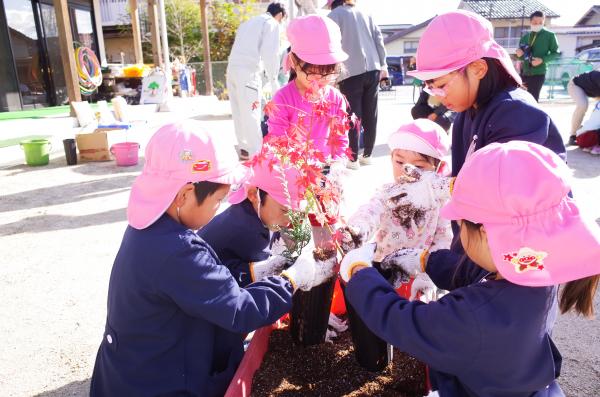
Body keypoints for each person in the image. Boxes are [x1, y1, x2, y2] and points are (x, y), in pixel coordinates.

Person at [89, 121, 334, 397]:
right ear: (184, 194)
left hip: (127, 371)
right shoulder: (177, 251)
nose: (220, 209)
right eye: (218, 200)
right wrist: (290, 280)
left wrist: (262, 272)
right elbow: (240, 311)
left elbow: (209, 286)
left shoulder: (147, 227)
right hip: (157, 384)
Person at [340, 140, 600, 396]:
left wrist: (360, 273)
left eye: (460, 222)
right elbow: (481, 274)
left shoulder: (473, 317)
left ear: (486, 233)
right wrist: (426, 261)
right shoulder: (536, 271)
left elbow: (402, 322)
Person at [402, 10, 566, 291]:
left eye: (441, 85)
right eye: (430, 87)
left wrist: (434, 262)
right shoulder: (468, 110)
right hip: (481, 249)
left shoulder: (516, 112)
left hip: (514, 261)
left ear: (478, 68)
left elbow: (496, 203)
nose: (437, 96)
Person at [199, 154, 304, 287]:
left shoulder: (256, 213)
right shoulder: (246, 230)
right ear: (254, 194)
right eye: (284, 210)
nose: (290, 219)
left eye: (295, 212)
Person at [266, 14, 350, 161]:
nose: (320, 80)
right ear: (293, 62)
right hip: (293, 170)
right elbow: (278, 140)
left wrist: (337, 165)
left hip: (326, 169)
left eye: (328, 74)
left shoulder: (335, 98)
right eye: (312, 73)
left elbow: (340, 139)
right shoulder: (283, 98)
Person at [327, 0, 388, 169]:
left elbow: (331, 45)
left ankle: (352, 158)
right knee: (371, 113)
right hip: (373, 68)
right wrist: (383, 65)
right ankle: (367, 154)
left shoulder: (333, 16)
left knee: (353, 114)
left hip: (350, 71)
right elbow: (379, 41)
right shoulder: (366, 14)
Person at [227, 2, 286, 160]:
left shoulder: (248, 22)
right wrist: (274, 78)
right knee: (251, 112)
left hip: (232, 69)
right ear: (279, 15)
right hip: (248, 71)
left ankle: (244, 148)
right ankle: (257, 154)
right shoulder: (271, 23)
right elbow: (271, 53)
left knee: (239, 111)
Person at [516, 11, 560, 102]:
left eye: (541, 23)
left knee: (533, 100)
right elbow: (522, 57)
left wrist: (542, 60)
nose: (538, 24)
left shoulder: (550, 35)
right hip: (524, 73)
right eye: (535, 23)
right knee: (521, 100)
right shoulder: (525, 37)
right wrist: (519, 54)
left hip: (538, 74)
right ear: (530, 22)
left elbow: (556, 53)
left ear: (544, 22)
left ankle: (533, 116)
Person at [567, 69, 600, 148]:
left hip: (592, 89)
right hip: (575, 85)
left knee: (597, 112)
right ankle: (573, 135)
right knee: (583, 105)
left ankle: (589, 131)